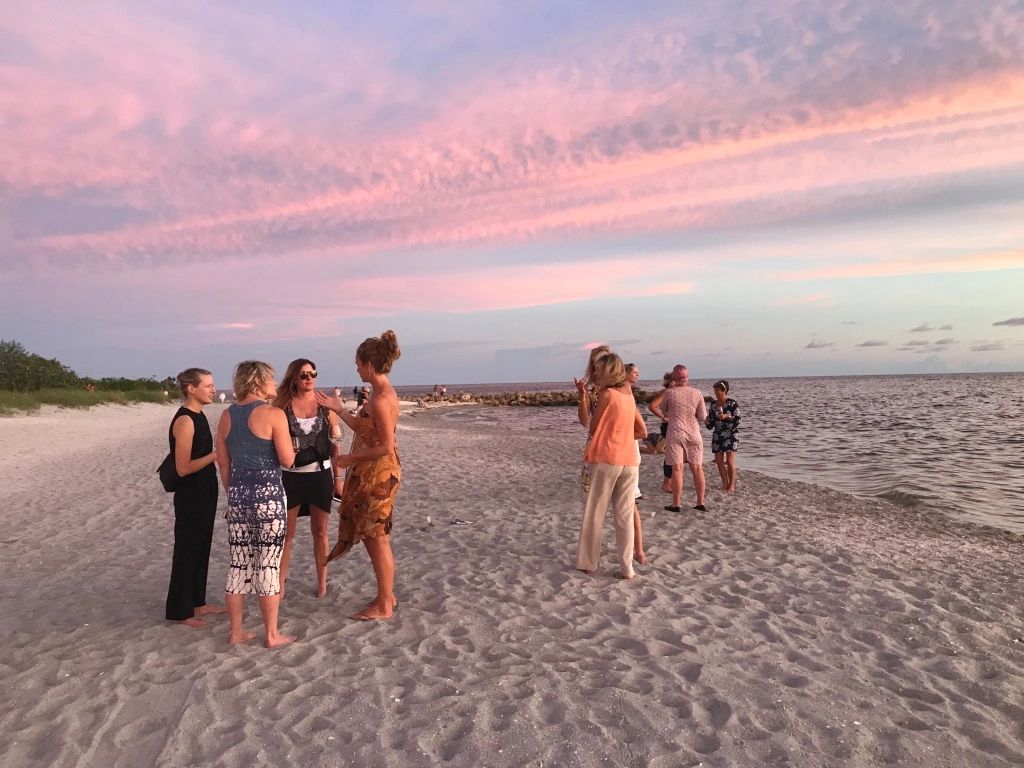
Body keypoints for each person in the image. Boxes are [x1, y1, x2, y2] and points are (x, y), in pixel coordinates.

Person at [316, 330, 402, 621]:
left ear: (369, 365)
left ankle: (384, 603)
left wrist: (348, 459)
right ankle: (386, 595)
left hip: (379, 474)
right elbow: (366, 430)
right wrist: (339, 409)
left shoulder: (381, 399)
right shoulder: (379, 395)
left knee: (377, 537)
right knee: (373, 536)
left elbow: (386, 446)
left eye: (358, 364)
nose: (356, 369)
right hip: (372, 472)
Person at [216, 360, 297, 648]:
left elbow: (223, 463)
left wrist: (234, 491)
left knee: (238, 564)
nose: (275, 383)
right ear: (259, 381)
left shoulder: (226, 416)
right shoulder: (273, 414)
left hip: (238, 497)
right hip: (269, 499)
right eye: (271, 378)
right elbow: (287, 459)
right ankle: (272, 634)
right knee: (268, 565)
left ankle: (236, 632)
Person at [275, 359, 343, 599]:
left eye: (312, 373)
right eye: (303, 374)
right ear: (293, 377)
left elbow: (335, 443)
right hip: (290, 478)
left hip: (320, 476)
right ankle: (280, 585)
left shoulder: (325, 405)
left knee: (320, 531)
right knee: (287, 534)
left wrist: (338, 478)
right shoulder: (282, 406)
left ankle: (322, 584)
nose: (309, 378)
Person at [576, 353, 646, 579]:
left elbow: (592, 427)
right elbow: (642, 431)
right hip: (629, 461)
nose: (595, 372)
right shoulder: (628, 394)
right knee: (624, 516)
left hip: (606, 458)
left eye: (598, 369)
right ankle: (627, 568)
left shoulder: (607, 394)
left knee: (595, 513)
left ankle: (589, 563)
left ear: (607, 371)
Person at [164, 368, 222, 628]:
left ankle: (198, 602)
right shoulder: (185, 420)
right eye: (208, 386)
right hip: (190, 493)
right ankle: (180, 610)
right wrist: (215, 455)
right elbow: (182, 468)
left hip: (205, 488)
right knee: (187, 548)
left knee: (202, 545)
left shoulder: (199, 415)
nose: (213, 390)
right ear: (191, 389)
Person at [649, 364, 707, 512]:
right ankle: (700, 502)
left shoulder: (669, 392)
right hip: (694, 433)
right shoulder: (697, 393)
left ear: (674, 378)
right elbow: (702, 416)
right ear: (687, 377)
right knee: (697, 469)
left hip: (675, 432)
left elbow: (664, 410)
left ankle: (676, 504)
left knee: (677, 469)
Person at [623, 363, 646, 563]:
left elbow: (642, 431)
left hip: (628, 454)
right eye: (635, 372)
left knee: (631, 505)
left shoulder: (629, 397)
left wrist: (619, 437)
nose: (638, 375)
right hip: (612, 455)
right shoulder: (615, 394)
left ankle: (639, 550)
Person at [705, 379, 740, 491]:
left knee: (730, 461)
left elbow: (738, 420)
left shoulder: (732, 403)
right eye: (715, 390)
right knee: (719, 461)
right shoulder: (713, 405)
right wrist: (706, 422)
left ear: (724, 390)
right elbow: (711, 425)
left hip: (731, 434)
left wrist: (727, 416)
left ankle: (731, 485)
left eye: (717, 390)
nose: (715, 392)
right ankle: (725, 484)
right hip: (717, 435)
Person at [644, 372, 675, 490]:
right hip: (668, 426)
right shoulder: (666, 392)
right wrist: (663, 417)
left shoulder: (678, 392)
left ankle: (671, 481)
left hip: (678, 426)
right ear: (669, 381)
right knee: (671, 454)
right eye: (674, 380)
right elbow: (652, 406)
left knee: (676, 455)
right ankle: (667, 482)